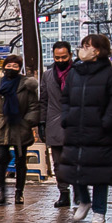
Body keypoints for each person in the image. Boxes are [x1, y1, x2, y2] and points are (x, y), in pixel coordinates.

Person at [58, 34, 112, 223]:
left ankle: (99, 211)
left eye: (87, 46)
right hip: (76, 129)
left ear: (98, 51)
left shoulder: (110, 74)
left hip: (100, 131)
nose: (83, 49)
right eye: (83, 45)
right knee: (73, 168)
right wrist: (66, 117)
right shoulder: (75, 72)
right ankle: (84, 200)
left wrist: (107, 121)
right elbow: (66, 98)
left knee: (99, 173)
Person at [0, 54, 39, 205]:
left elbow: (33, 106)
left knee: (20, 161)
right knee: (1, 159)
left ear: (19, 68)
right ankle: (2, 192)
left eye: (15, 66)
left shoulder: (26, 85)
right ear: (4, 67)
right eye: (9, 65)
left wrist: (27, 122)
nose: (11, 68)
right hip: (0, 126)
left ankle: (19, 192)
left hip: (20, 127)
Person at [41, 41, 76, 208]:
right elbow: (43, 100)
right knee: (58, 162)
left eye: (64, 57)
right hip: (54, 122)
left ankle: (79, 191)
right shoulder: (47, 75)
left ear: (70, 55)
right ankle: (64, 193)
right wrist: (41, 122)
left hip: (76, 122)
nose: (60, 60)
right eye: (57, 57)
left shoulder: (79, 73)